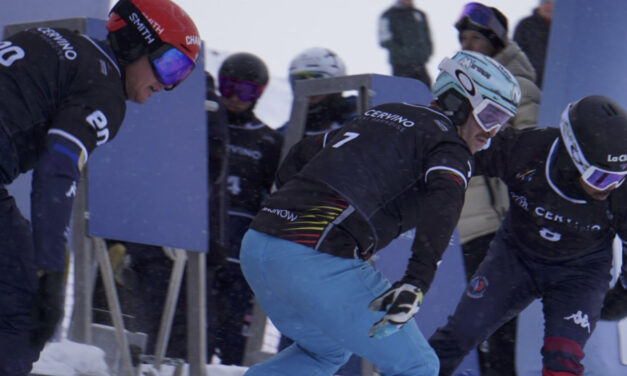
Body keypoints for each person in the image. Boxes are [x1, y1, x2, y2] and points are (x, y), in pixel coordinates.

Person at [238, 50, 521, 376]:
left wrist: (291, 215)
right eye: (491, 117)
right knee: (418, 365)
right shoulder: (449, 145)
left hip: (260, 245)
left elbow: (302, 153)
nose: (491, 133)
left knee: (324, 353)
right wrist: (417, 282)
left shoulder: (384, 114)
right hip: (313, 259)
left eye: (501, 122)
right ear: (459, 100)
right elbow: (445, 203)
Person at [0, 0, 201, 373]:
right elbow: (58, 170)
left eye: (183, 75)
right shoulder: (104, 88)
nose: (167, 85)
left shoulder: (52, 39)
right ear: (135, 43)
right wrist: (50, 270)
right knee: (26, 311)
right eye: (170, 65)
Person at [429, 94, 627, 376]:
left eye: (619, 177)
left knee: (563, 361)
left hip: (580, 274)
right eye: (601, 178)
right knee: (462, 333)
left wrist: (623, 296)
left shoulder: (622, 193)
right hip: (515, 260)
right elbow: (462, 152)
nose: (610, 188)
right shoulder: (527, 151)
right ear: (573, 156)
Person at [453, 3, 542, 374]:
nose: (469, 45)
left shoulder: (518, 86)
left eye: (477, 37)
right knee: (473, 326)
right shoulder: (458, 82)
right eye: (464, 38)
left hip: (500, 223)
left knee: (501, 326)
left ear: (497, 41)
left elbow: (532, 147)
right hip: (464, 225)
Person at [207, 52, 283, 365]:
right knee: (193, 334)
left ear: (259, 94)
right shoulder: (204, 127)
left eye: (246, 91)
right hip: (204, 247)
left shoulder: (269, 141)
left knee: (234, 344)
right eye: (228, 87)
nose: (236, 98)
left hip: (241, 261)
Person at [277, 47, 357, 138]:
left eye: (316, 82)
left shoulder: (360, 119)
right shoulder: (288, 133)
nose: (307, 91)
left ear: (335, 84)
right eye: (298, 81)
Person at [378, 0, 434, 87]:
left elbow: (427, 37)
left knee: (426, 95)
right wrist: (404, 53)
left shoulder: (419, 14)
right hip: (400, 67)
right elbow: (385, 41)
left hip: (420, 66)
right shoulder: (388, 15)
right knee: (403, 95)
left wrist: (425, 53)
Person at [514, 0, 555, 88]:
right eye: (546, 2)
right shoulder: (526, 25)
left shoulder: (563, 28)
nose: (548, 6)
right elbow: (515, 53)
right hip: (530, 81)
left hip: (554, 82)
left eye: (552, 3)